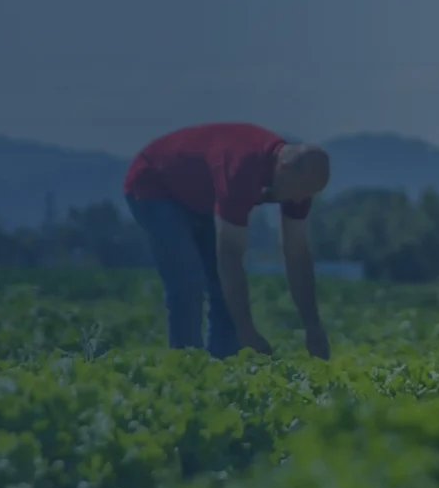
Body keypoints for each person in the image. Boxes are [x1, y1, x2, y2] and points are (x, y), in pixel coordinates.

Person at [121, 122, 333, 360]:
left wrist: (313, 326)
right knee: (188, 284)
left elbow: (297, 254)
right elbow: (230, 257)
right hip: (154, 184)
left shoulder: (299, 184)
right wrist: (247, 333)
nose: (300, 199)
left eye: (309, 194)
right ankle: (185, 369)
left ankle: (221, 373)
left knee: (224, 293)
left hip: (201, 197)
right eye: (301, 191)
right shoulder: (240, 169)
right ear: (283, 168)